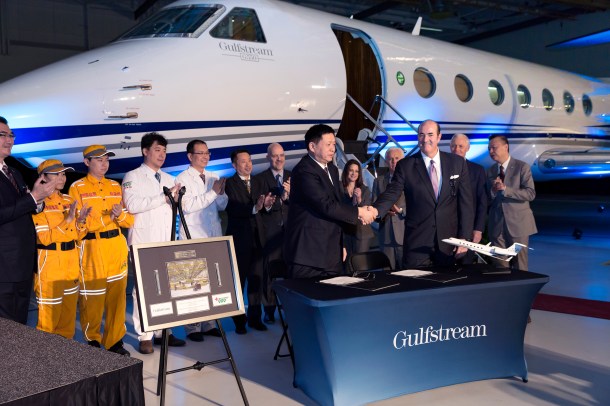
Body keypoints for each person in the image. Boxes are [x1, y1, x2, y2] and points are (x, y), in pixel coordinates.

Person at [373, 120, 474, 268]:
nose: (425, 139)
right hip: (417, 243)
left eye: (430, 134)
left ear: (439, 137)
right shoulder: (406, 165)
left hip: (448, 243)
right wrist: (374, 211)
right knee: (416, 282)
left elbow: (466, 204)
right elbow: (391, 193)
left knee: (447, 281)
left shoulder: (457, 163)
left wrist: (464, 238)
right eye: (421, 135)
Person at [284, 124, 377, 279]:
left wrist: (341, 244)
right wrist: (360, 212)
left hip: (331, 253)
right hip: (309, 256)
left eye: (334, 144)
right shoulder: (304, 171)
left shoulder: (332, 169)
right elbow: (326, 205)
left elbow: (337, 206)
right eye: (328, 144)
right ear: (312, 146)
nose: (333, 149)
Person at [123, 132, 186, 354]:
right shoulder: (132, 176)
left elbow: (175, 207)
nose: (162, 155)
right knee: (144, 288)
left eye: (164, 151)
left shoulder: (169, 178)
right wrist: (163, 197)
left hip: (165, 240)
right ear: (145, 151)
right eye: (157, 150)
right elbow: (132, 205)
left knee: (166, 288)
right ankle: (145, 335)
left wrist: (176, 200)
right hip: (144, 241)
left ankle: (163, 331)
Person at [69, 145, 133, 356]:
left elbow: (128, 220)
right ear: (87, 162)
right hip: (92, 249)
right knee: (92, 298)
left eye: (106, 160)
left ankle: (114, 341)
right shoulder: (77, 187)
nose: (104, 164)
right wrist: (109, 218)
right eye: (99, 160)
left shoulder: (115, 186)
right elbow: (82, 225)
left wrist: (119, 215)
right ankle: (93, 341)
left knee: (118, 298)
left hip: (116, 247)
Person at [0, 116, 56, 324]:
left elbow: (24, 205)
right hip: (4, 269)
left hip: (22, 265)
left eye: (11, 135)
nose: (9, 140)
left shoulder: (14, 172)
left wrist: (38, 200)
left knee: (20, 326)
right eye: (3, 135)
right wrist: (33, 197)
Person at [33, 159, 92, 339]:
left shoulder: (69, 200)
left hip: (71, 262)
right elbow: (44, 238)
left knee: (68, 317)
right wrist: (67, 221)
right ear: (43, 177)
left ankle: (65, 353)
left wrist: (81, 221)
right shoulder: (38, 203)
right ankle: (44, 356)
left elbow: (79, 235)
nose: (62, 178)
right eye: (56, 174)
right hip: (50, 263)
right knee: (48, 321)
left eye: (64, 173)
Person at [175, 139, 227, 341]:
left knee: (213, 282)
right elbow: (187, 206)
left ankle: (210, 323)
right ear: (190, 156)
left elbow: (222, 205)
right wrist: (213, 192)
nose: (205, 157)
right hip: (193, 236)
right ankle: (192, 327)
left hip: (213, 234)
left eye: (207, 153)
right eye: (201, 153)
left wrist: (220, 194)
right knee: (193, 284)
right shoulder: (182, 178)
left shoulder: (214, 176)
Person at [225, 149, 274, 334]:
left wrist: (267, 206)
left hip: (258, 239)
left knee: (256, 280)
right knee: (239, 281)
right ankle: (239, 321)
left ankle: (255, 318)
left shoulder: (258, 181)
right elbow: (233, 208)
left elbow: (263, 209)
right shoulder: (229, 184)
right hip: (239, 239)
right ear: (234, 165)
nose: (248, 165)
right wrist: (255, 208)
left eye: (250, 161)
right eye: (243, 162)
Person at [487, 135, 537, 271]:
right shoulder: (491, 170)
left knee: (520, 266)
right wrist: (493, 191)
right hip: (497, 227)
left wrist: (505, 189)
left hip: (518, 226)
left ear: (506, 147)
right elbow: (487, 198)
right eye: (489, 149)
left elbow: (530, 194)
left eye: (494, 148)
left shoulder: (522, 167)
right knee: (500, 267)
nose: (491, 151)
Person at [254, 143, 291, 323]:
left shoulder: (293, 177)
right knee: (269, 274)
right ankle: (269, 311)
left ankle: (291, 308)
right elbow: (258, 208)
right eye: (275, 156)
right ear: (268, 157)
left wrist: (288, 197)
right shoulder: (260, 179)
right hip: (270, 234)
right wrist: (268, 205)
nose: (279, 159)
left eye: (281, 155)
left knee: (291, 272)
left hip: (291, 234)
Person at [450, 133, 487, 263]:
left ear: (468, 148)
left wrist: (478, 229)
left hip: (469, 229)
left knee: (465, 266)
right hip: (446, 228)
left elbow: (482, 202)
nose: (456, 149)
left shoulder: (478, 170)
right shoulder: (441, 168)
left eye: (461, 146)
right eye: (454, 146)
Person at [372, 147, 406, 270]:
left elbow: (416, 205)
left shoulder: (410, 179)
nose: (394, 161)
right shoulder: (378, 181)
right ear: (386, 161)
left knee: (407, 271)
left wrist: (401, 211)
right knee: (387, 272)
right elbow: (374, 205)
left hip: (404, 234)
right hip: (386, 235)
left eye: (397, 158)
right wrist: (384, 211)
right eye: (390, 159)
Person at [341, 159, 375, 271]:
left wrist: (359, 200)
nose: (353, 173)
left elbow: (367, 211)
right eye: (351, 170)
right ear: (346, 171)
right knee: (347, 266)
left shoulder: (364, 189)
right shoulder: (339, 188)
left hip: (362, 233)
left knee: (360, 266)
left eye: (356, 171)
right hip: (345, 233)